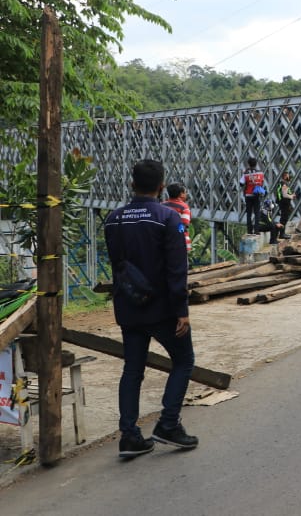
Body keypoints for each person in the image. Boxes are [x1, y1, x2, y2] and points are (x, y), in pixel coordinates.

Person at [103, 159, 198, 458]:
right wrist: (181, 309)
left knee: (132, 369)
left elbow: (119, 265)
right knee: (183, 360)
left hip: (129, 307)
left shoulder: (113, 219)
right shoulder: (168, 219)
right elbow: (176, 269)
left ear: (132, 184)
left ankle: (130, 436)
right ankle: (168, 423)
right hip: (163, 309)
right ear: (161, 186)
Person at [238, 157, 266, 234]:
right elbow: (262, 182)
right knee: (257, 213)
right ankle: (257, 230)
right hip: (257, 195)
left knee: (249, 213)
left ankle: (249, 230)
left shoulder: (246, 174)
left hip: (248, 195)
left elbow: (241, 183)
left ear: (249, 164)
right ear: (256, 164)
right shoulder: (260, 173)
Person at [162, 183, 192, 255]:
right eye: (185, 192)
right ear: (181, 194)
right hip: (180, 244)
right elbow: (184, 225)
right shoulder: (184, 207)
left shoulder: (161, 205)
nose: (186, 194)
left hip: (163, 242)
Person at [275, 171, 295, 239]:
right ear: (285, 176)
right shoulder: (284, 184)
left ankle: (282, 233)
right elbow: (284, 195)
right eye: (288, 175)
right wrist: (291, 196)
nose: (289, 177)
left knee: (283, 218)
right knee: (284, 218)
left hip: (282, 203)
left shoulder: (281, 183)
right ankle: (282, 234)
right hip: (284, 203)